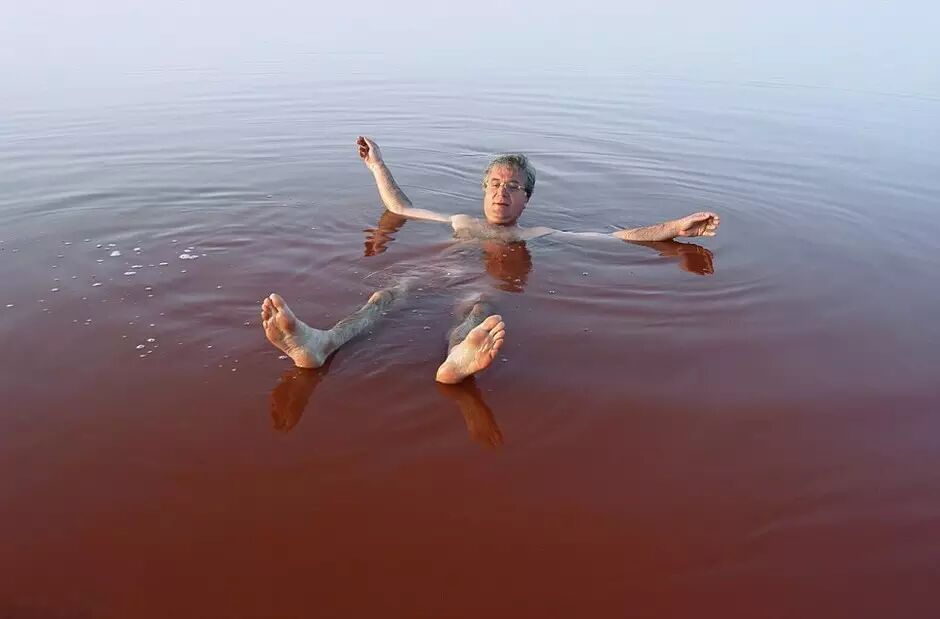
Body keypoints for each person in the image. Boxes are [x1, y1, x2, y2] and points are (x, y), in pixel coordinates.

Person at [260, 136, 720, 384]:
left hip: (481, 283)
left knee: (480, 307)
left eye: (513, 187)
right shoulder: (460, 221)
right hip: (440, 270)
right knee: (386, 293)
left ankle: (457, 359)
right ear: (484, 191)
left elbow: (619, 237)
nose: (502, 193)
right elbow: (401, 208)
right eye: (495, 185)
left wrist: (676, 226)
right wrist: (378, 165)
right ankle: (321, 344)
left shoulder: (536, 234)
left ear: (526, 199)